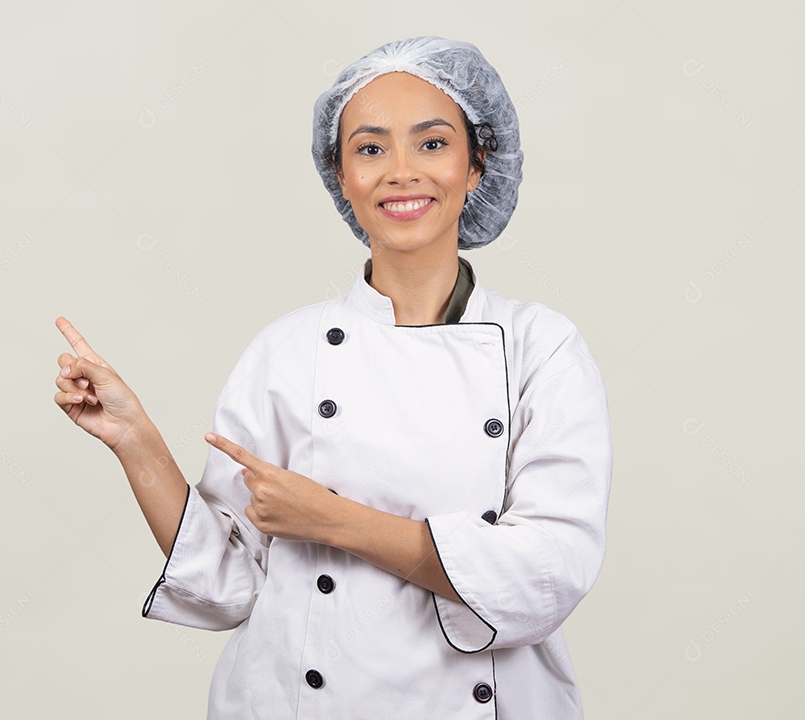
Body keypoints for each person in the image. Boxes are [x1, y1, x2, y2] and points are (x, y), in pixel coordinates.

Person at [53, 36, 612, 719]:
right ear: (341, 175)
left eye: (432, 143)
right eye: (371, 149)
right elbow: (226, 582)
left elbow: (545, 574)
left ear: (477, 163)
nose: (402, 172)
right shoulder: (286, 351)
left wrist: (335, 521)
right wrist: (134, 437)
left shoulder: (542, 350)